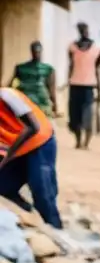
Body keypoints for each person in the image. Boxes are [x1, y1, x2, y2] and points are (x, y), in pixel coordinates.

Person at [0, 87, 63, 229]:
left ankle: (55, 228)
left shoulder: (7, 96)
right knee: (3, 185)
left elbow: (32, 126)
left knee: (42, 189)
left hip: (40, 141)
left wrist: (8, 156)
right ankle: (30, 214)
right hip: (19, 148)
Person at [68, 22, 100, 149]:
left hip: (89, 86)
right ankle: (78, 141)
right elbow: (71, 66)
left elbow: (99, 69)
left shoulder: (97, 48)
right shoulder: (72, 47)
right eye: (81, 29)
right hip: (75, 85)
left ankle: (86, 142)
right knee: (75, 116)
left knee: (88, 116)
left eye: (85, 29)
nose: (84, 32)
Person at [9, 42, 59, 118]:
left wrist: (55, 107)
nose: (37, 54)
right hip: (28, 105)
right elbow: (11, 87)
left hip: (35, 105)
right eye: (35, 51)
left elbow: (52, 91)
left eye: (38, 52)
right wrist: (55, 108)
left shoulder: (48, 69)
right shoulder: (21, 68)